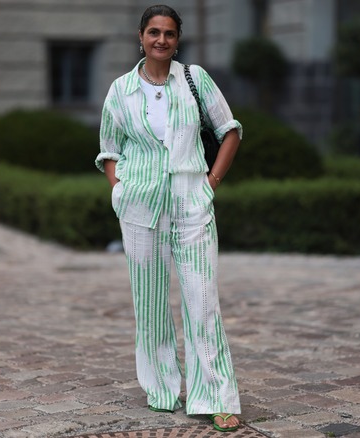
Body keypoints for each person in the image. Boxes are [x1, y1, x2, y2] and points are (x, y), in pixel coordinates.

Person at [96, 4, 241, 432]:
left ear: (178, 40)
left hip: (192, 203)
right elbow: (109, 149)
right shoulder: (120, 90)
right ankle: (160, 388)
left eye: (170, 33)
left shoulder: (195, 78)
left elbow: (230, 131)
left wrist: (210, 183)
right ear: (140, 37)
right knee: (150, 304)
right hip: (140, 208)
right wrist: (121, 190)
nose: (162, 40)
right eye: (154, 32)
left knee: (202, 300)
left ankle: (216, 396)